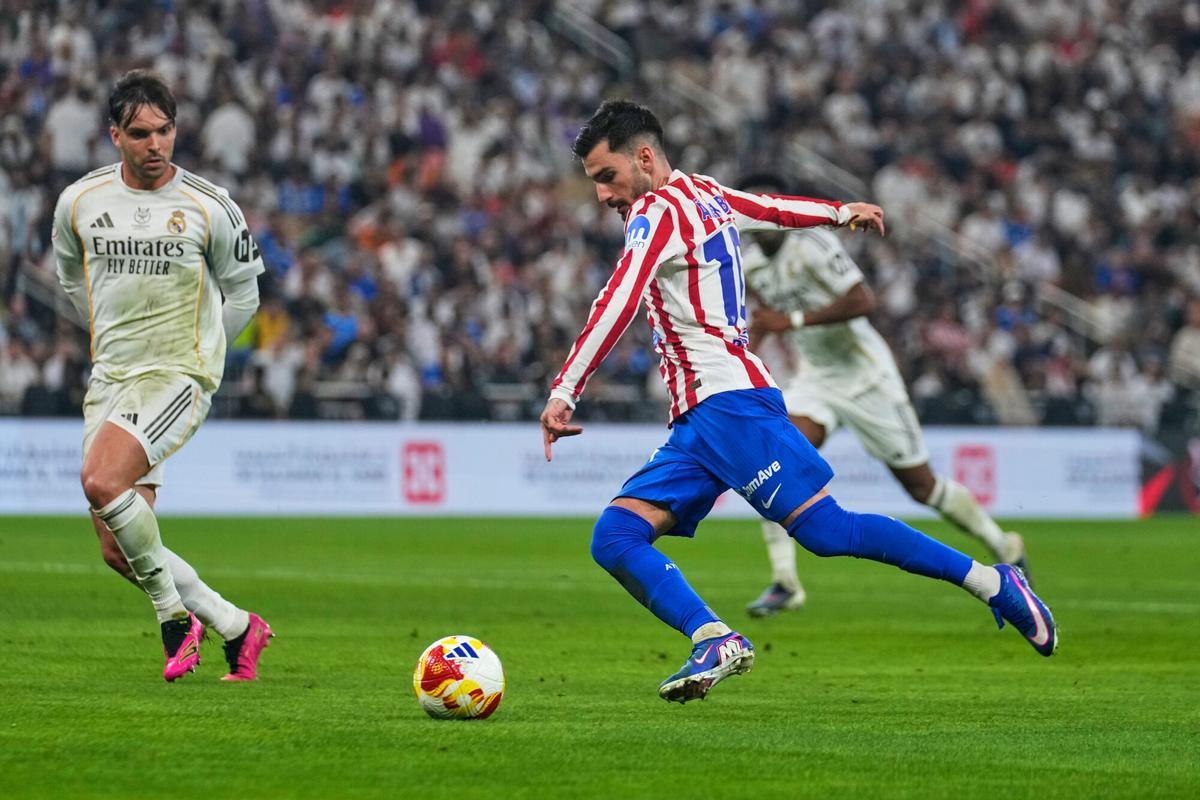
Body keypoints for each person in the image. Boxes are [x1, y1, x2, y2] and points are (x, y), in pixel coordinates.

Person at [539, 100, 1057, 705]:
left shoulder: (654, 213)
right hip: (700, 418)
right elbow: (769, 209)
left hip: (728, 404)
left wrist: (565, 389)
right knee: (616, 535)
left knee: (827, 530)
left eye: (607, 176)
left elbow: (619, 297)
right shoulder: (703, 194)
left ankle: (993, 582)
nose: (603, 195)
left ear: (645, 158)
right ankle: (714, 638)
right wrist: (839, 212)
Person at [52, 70, 273, 682]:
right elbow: (71, 277)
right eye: (141, 134)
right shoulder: (79, 202)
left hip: (177, 375)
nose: (156, 144)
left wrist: (205, 357)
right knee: (118, 547)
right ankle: (238, 626)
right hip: (112, 377)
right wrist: (105, 334)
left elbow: (245, 295)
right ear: (115, 136)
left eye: (165, 130)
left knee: (101, 480)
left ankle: (175, 619)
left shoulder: (210, 204)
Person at [736, 173, 1028, 618]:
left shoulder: (812, 243)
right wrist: (744, 365)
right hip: (818, 377)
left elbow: (862, 300)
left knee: (921, 486)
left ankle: (1003, 545)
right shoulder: (753, 265)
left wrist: (791, 323)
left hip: (866, 374)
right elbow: (765, 319)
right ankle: (786, 583)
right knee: (773, 457)